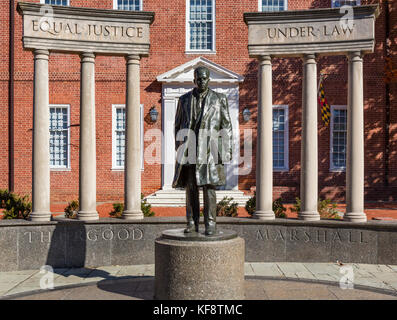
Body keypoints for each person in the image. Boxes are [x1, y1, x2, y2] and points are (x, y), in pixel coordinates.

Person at [172, 66, 233, 235]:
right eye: (198, 79)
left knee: (209, 188)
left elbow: (226, 126)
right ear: (194, 80)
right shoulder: (184, 100)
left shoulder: (219, 99)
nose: (201, 81)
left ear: (209, 79)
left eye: (204, 78)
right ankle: (191, 222)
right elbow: (177, 126)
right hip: (189, 150)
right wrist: (179, 148)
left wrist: (225, 153)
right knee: (191, 188)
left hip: (210, 151)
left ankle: (210, 223)